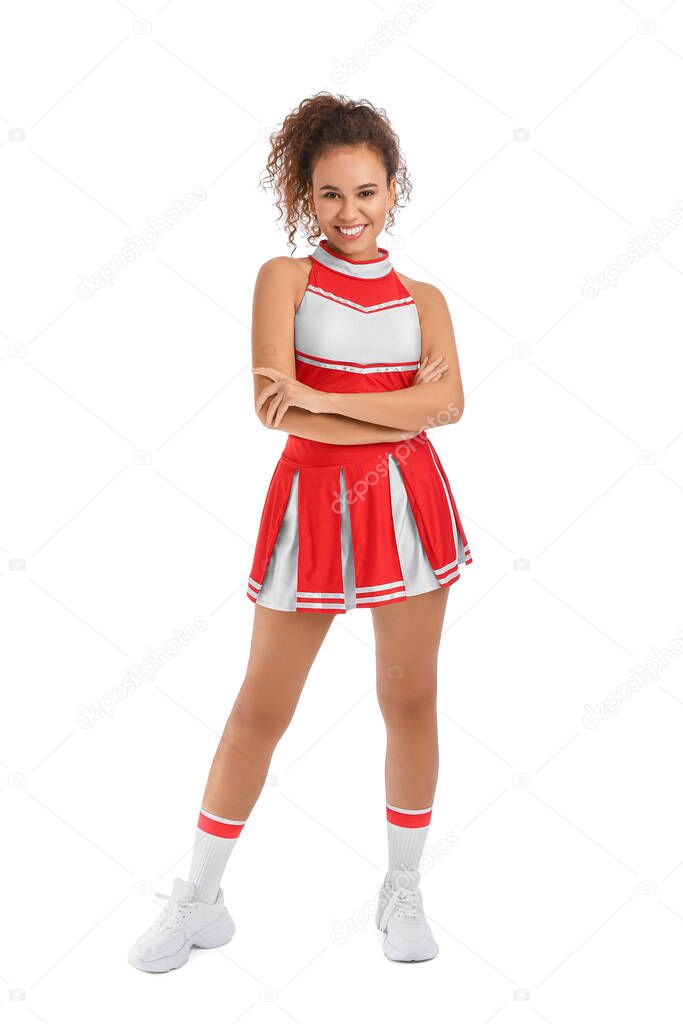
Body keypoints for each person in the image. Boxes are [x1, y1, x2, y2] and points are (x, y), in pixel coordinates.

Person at [128, 91, 473, 972]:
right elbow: (274, 410)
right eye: (329, 194)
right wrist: (385, 410)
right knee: (259, 709)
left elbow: (450, 405)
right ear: (302, 195)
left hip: (408, 506)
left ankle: (401, 888)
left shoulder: (424, 296)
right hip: (311, 507)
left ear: (393, 188)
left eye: (365, 191)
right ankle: (199, 898)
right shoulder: (283, 279)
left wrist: (323, 393)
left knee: (409, 702)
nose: (349, 212)